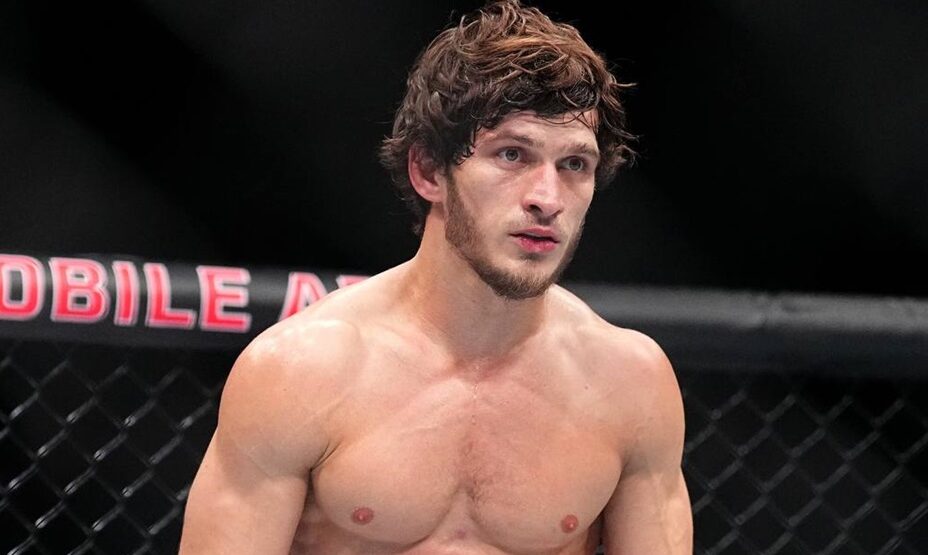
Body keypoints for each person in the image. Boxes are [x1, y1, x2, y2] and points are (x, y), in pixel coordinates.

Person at [179, 0, 692, 553]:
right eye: (512, 154)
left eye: (574, 165)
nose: (547, 198)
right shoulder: (299, 374)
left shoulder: (629, 384)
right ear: (429, 171)